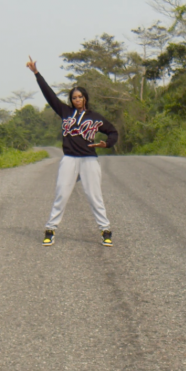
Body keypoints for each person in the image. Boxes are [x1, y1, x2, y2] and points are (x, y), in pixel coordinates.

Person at [26, 56, 118, 247]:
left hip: (89, 160)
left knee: (94, 196)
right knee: (62, 193)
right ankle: (50, 230)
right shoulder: (65, 112)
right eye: (74, 97)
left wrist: (106, 144)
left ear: (85, 98)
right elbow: (49, 94)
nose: (77, 100)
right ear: (71, 100)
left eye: (80, 97)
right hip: (69, 159)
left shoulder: (95, 117)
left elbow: (113, 132)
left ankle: (105, 230)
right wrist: (36, 73)